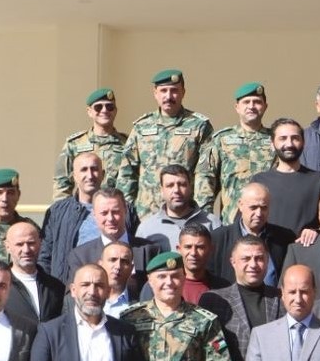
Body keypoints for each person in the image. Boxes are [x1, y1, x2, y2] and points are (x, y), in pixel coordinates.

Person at [116, 69, 214, 219]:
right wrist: (126, 213)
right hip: (146, 215)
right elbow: (127, 173)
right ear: (155, 93)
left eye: (174, 90)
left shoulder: (199, 126)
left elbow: (205, 174)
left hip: (185, 214)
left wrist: (202, 215)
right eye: (163, 91)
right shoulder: (141, 127)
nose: (168, 96)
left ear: (183, 92)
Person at [200, 237, 283, 361]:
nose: (253, 264)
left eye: (259, 258)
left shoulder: (282, 298)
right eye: (246, 259)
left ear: (267, 261)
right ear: (233, 262)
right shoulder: (214, 301)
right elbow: (211, 348)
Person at [195, 81, 274, 221]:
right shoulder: (222, 139)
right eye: (246, 102)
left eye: (257, 102)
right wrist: (206, 220)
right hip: (231, 221)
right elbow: (205, 179)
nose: (251, 106)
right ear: (237, 107)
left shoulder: (275, 140)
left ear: (265, 107)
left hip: (268, 221)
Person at [44, 150, 112, 283]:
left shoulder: (122, 209)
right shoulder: (57, 212)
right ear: (74, 176)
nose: (90, 175)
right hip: (68, 288)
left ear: (103, 174)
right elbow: (45, 256)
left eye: (94, 169)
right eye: (84, 170)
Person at [251, 118, 320, 239]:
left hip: (304, 248)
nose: (289, 144)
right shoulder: (259, 181)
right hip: (268, 247)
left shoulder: (319, 180)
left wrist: (316, 231)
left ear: (303, 143)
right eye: (283, 138)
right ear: (272, 144)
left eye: (295, 138)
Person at [208, 182, 293, 285]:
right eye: (253, 207)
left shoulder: (284, 239)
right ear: (240, 205)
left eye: (264, 208)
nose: (259, 214)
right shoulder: (218, 239)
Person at [65, 187, 156, 280]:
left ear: (125, 211)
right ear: (94, 215)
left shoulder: (150, 250)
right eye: (104, 213)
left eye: (115, 212)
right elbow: (74, 289)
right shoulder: (81, 257)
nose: (110, 218)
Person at [53, 87, 127, 200]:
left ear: (115, 111)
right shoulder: (75, 144)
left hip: (115, 208)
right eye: (98, 107)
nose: (104, 111)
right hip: (84, 207)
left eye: (109, 107)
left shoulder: (127, 143)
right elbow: (61, 184)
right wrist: (65, 209)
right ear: (89, 111)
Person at [136, 164, 219, 251]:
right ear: (162, 191)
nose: (176, 190)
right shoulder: (146, 229)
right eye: (170, 185)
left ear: (190, 188)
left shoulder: (212, 223)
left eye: (182, 184)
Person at [3, 219, 66, 327]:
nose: (26, 250)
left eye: (31, 243)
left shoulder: (56, 288)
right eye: (19, 244)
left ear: (40, 243)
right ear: (7, 247)